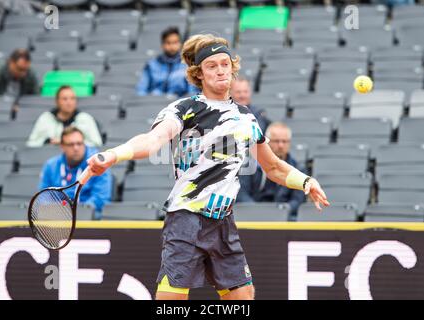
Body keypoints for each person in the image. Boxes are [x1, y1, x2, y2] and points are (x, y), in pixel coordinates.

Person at [85, 34, 330, 300]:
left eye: (225, 63)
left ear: (233, 68)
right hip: (186, 219)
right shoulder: (184, 109)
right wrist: (113, 154)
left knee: (243, 297)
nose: (220, 70)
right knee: (172, 303)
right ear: (199, 73)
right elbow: (152, 141)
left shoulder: (247, 117)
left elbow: (273, 167)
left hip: (223, 222)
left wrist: (306, 181)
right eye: (211, 66)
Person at [39, 126, 112, 219]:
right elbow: (44, 197)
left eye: (79, 143)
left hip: (88, 217)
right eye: (71, 144)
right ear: (62, 146)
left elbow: (100, 198)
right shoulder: (50, 166)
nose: (76, 148)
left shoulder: (98, 163)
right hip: (58, 217)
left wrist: (77, 212)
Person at [237, 122, 306, 220]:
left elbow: (297, 200)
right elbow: (242, 194)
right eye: (276, 141)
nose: (281, 145)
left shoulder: (298, 169)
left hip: (283, 218)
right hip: (253, 216)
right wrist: (258, 212)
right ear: (266, 142)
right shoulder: (249, 165)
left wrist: (281, 211)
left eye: (284, 141)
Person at [27, 85, 103, 147]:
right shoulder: (45, 118)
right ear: (57, 101)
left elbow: (97, 144)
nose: (69, 102)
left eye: (72, 99)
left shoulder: (85, 119)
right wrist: (47, 142)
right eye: (64, 99)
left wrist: (74, 144)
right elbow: (30, 144)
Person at [136, 26, 199, 97]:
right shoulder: (151, 65)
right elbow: (141, 91)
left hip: (179, 104)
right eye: (168, 43)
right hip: (155, 103)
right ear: (162, 45)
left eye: (175, 42)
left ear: (180, 44)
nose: (172, 46)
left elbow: (192, 92)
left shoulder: (188, 65)